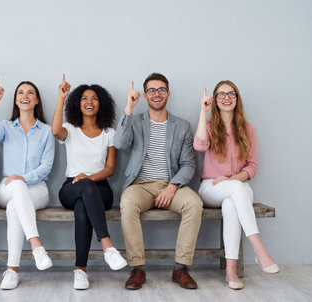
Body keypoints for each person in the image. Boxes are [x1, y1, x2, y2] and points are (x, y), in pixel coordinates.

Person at [114, 73, 203, 290]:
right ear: (145, 95)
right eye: (152, 90)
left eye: (161, 89)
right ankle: (138, 269)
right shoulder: (135, 121)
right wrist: (128, 108)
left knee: (194, 203)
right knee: (127, 204)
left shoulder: (182, 126)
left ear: (168, 94)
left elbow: (188, 164)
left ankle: (180, 268)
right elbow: (119, 143)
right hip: (140, 185)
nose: (157, 94)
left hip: (171, 184)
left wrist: (173, 186)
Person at [193, 81, 279, 290]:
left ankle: (231, 271)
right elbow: (199, 145)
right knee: (235, 192)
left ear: (237, 98)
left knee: (232, 204)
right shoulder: (210, 126)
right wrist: (203, 113)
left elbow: (252, 166)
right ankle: (258, 248)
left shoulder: (248, 130)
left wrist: (231, 180)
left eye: (231, 93)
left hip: (238, 187)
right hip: (211, 187)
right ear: (215, 100)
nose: (226, 97)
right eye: (221, 94)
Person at [51, 74, 127, 290]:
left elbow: (110, 169)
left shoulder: (109, 133)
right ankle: (107, 245)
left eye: (94, 98)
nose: (89, 102)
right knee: (82, 191)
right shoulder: (71, 129)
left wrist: (88, 178)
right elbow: (55, 131)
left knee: (84, 204)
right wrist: (61, 97)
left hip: (100, 189)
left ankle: (80, 271)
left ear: (100, 104)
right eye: (84, 98)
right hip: (70, 188)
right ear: (78, 103)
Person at [0, 78, 55, 290]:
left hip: (38, 190)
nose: (25, 95)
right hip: (6, 188)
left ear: (37, 100)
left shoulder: (46, 131)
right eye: (21, 93)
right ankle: (37, 246)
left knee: (16, 204)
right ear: (15, 100)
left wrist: (24, 178)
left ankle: (12, 271)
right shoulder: (6, 127)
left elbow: (46, 166)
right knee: (15, 186)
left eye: (30, 92)